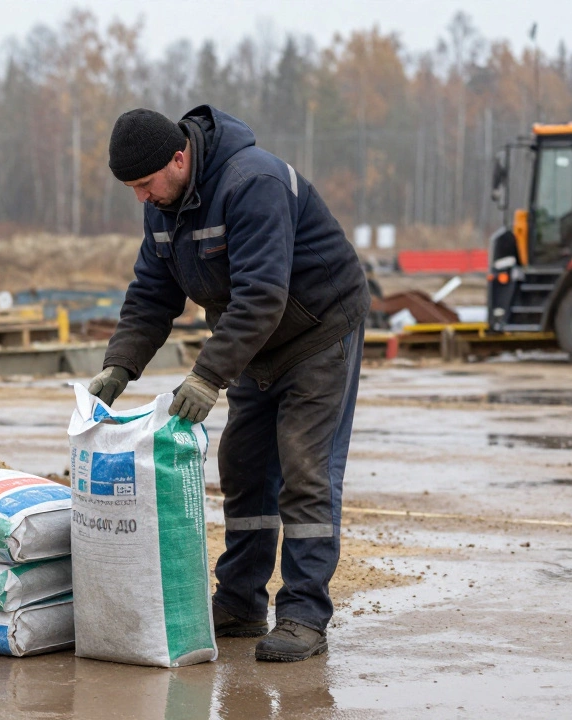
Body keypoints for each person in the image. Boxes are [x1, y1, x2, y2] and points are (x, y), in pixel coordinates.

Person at [88, 105, 369, 662]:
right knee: (242, 466)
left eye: (145, 184)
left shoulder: (253, 183)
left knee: (304, 469)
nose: (141, 197)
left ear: (178, 157)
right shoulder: (164, 209)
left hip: (317, 332)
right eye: (132, 189)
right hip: (257, 342)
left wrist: (207, 377)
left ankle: (304, 617)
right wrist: (119, 366)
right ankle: (241, 604)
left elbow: (262, 294)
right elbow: (151, 297)